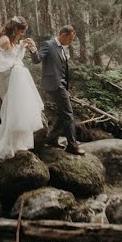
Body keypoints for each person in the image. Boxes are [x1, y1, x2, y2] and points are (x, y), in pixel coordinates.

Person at [0, 16, 45, 164]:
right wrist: (13, 67)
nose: (22, 34)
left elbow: (15, 57)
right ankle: (5, 144)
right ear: (16, 29)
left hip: (12, 77)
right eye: (22, 31)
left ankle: (16, 143)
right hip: (4, 77)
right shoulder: (4, 40)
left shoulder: (12, 41)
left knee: (16, 109)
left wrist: (22, 46)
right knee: (10, 109)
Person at [30, 25, 84, 155]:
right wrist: (32, 50)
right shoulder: (48, 44)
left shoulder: (62, 48)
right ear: (63, 35)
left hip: (61, 86)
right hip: (53, 85)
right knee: (68, 113)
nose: (70, 42)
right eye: (70, 39)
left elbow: (63, 71)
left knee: (62, 113)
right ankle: (72, 145)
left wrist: (66, 88)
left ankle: (52, 138)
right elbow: (37, 60)